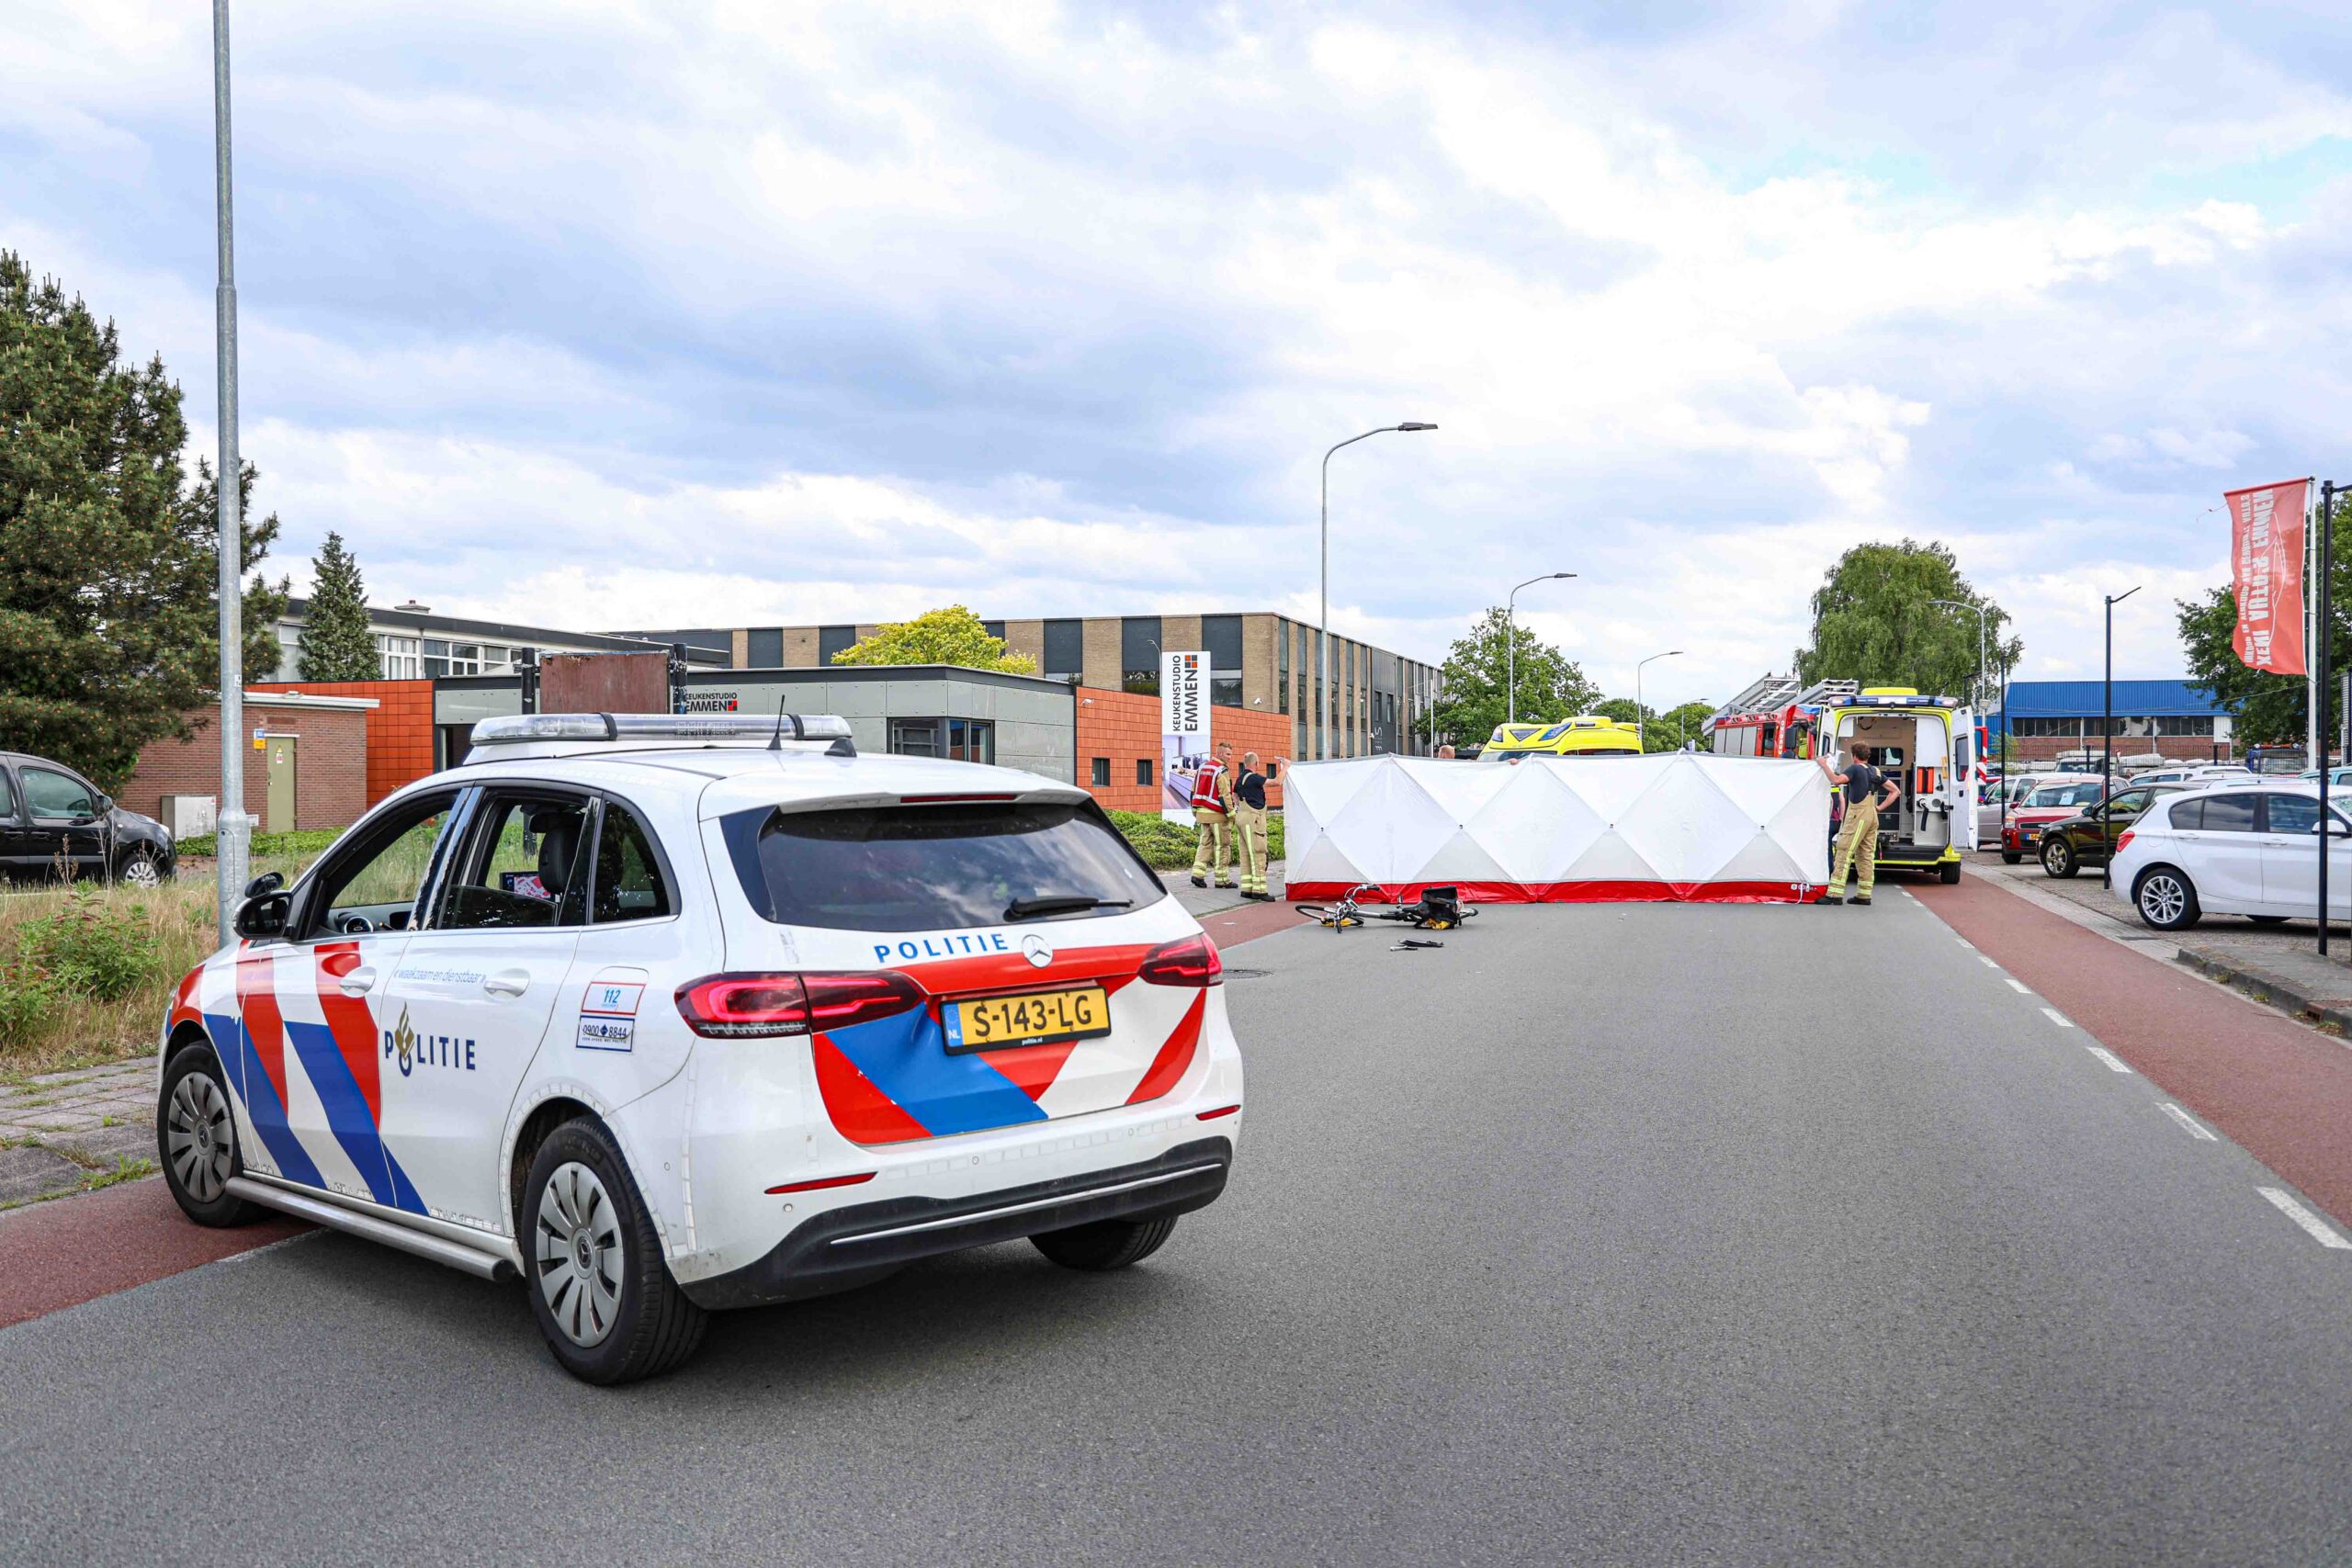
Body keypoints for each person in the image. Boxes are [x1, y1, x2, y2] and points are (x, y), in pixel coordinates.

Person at [1820, 740, 1902, 906]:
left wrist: (1823, 765)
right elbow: (1895, 791)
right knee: (1866, 855)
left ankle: (1834, 894)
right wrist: (1879, 808)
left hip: (1858, 815)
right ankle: (1864, 895)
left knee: (1844, 850)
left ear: (1854, 756)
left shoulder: (1855, 769)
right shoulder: (1876, 771)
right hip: (1872, 814)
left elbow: (1836, 780)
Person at [1232, 750, 1280, 900]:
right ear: (1256, 763)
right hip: (1254, 819)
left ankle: (1247, 889)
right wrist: (1286, 768)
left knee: (1245, 854)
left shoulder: (1240, 779)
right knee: (1258, 853)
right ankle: (1260, 891)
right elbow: (1276, 782)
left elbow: (1234, 795)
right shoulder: (1254, 778)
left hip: (1241, 817)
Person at [1189, 741, 1235, 889]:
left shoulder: (1202, 767)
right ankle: (1222, 880)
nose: (1230, 757)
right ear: (1219, 753)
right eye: (1228, 754)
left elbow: (1193, 790)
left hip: (1202, 813)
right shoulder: (1221, 770)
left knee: (1205, 844)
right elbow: (1225, 795)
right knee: (1222, 845)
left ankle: (1197, 875)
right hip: (1217, 814)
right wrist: (1232, 814)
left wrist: (1194, 810)